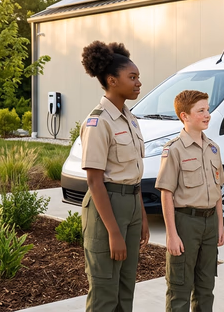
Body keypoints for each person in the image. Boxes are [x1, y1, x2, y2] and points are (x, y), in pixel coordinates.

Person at [79, 41, 150, 312]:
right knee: (105, 293)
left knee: (125, 289)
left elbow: (133, 174)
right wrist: (113, 232)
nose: (138, 82)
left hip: (131, 205)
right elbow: (95, 182)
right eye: (132, 77)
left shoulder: (129, 119)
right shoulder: (98, 122)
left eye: (138, 77)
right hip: (106, 207)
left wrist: (141, 215)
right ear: (111, 80)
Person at [156, 90, 224, 312]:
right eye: (201, 111)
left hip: (209, 225)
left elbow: (217, 190)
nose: (207, 114)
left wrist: (219, 225)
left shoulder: (213, 148)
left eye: (207, 109)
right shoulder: (174, 149)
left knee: (206, 287)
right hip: (185, 223)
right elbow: (166, 192)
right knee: (180, 288)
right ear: (184, 116)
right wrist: (171, 234)